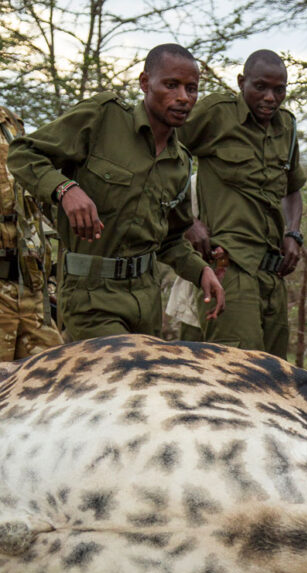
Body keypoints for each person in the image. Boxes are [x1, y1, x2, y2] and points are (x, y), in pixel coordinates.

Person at [6, 44, 223, 341]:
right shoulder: (103, 118)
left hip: (145, 302)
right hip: (90, 295)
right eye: (171, 85)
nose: (184, 97)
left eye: (192, 89)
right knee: (117, 375)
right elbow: (22, 154)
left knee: (143, 382)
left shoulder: (180, 162)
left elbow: (170, 239)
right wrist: (65, 189)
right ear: (145, 83)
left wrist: (202, 272)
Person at [178, 49, 306, 357]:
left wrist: (293, 233)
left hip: (271, 273)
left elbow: (292, 188)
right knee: (238, 375)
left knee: (275, 379)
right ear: (241, 82)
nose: (270, 98)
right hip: (228, 267)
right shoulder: (217, 114)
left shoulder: (286, 127)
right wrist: (185, 220)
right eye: (260, 87)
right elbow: (164, 150)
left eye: (279, 90)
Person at [0, 105, 63, 359]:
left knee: (53, 381)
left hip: (29, 289)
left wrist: (48, 284)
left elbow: (32, 210)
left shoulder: (10, 122)